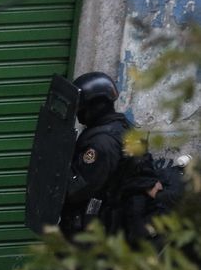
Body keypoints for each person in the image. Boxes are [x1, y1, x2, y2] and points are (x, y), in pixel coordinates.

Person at [59, 71, 162, 239]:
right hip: (118, 221)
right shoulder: (121, 127)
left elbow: (78, 190)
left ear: (94, 106)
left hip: (101, 227)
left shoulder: (102, 144)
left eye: (82, 108)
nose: (79, 113)